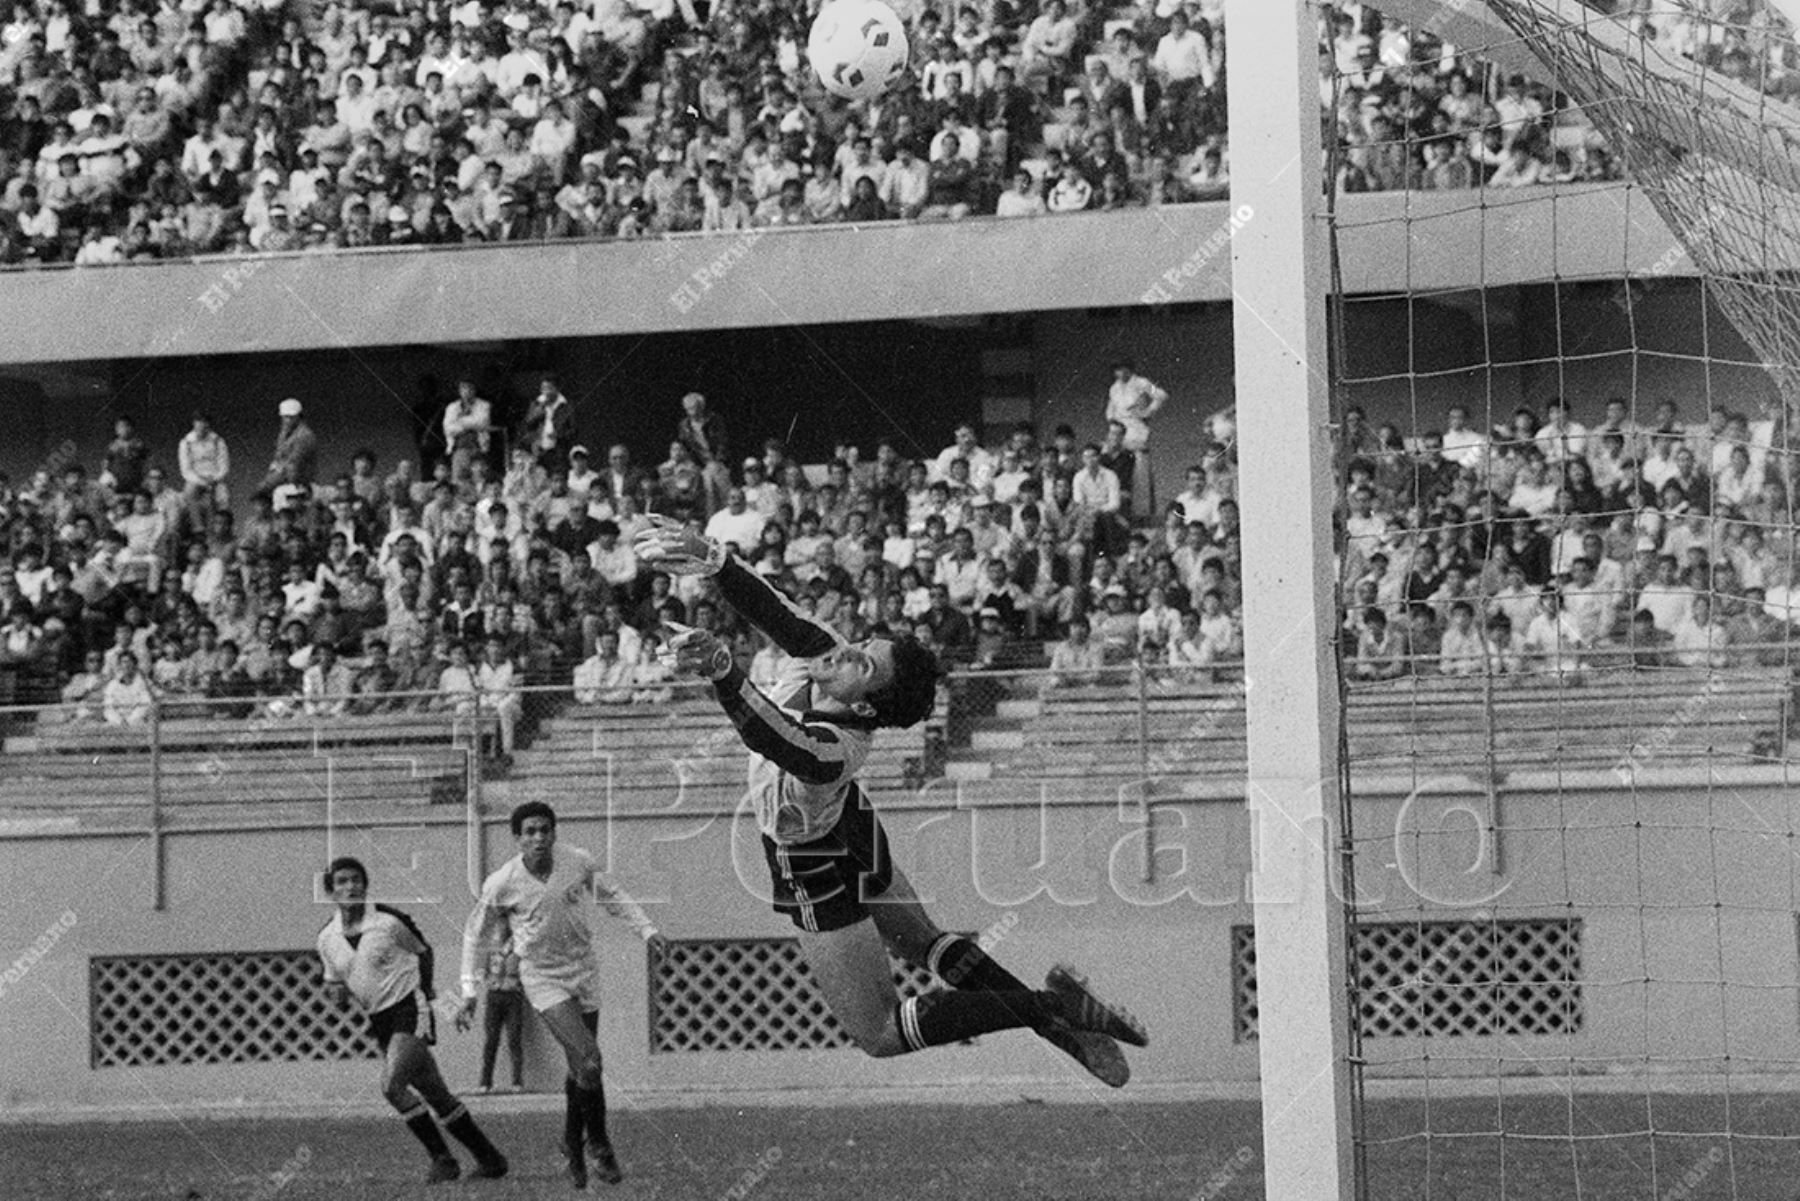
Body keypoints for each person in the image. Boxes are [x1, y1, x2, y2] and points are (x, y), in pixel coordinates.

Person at [634, 517, 1147, 1090]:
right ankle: (1061, 1022)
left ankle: (1050, 1007)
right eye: (861, 646)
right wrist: (713, 560)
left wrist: (724, 670)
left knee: (878, 1032)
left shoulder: (841, 748)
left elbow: (776, 737)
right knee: (924, 941)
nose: (845, 654)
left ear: (871, 706)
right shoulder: (830, 659)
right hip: (849, 823)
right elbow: (773, 608)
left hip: (810, 857)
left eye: (865, 665)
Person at [456, 801, 665, 1188]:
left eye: (544, 830)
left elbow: (611, 894)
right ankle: (599, 1144)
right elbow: (476, 933)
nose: (539, 838)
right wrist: (469, 988)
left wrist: (647, 930)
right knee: (589, 1058)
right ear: (517, 839)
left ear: (554, 832)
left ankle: (571, 1141)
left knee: (580, 1066)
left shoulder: (577, 861)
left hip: (583, 969)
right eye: (530, 832)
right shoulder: (502, 882)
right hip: (542, 977)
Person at [317, 857, 508, 1184]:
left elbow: (423, 951)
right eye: (342, 882)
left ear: (366, 884)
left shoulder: (390, 922)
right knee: (437, 1095)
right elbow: (334, 979)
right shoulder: (327, 938)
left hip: (409, 1009)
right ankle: (490, 1159)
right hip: (379, 1020)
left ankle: (442, 1160)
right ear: (331, 892)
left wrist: (430, 991)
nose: (351, 887)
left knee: (392, 1086)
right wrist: (335, 992)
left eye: (356, 880)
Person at [476, 947, 526, 1094]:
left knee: (514, 1038)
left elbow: (527, 970)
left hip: (513, 996)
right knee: (491, 1039)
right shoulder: (491, 950)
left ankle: (517, 1082)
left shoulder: (519, 950)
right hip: (494, 995)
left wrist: (518, 984)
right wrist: (487, 981)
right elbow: (481, 970)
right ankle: (485, 1082)